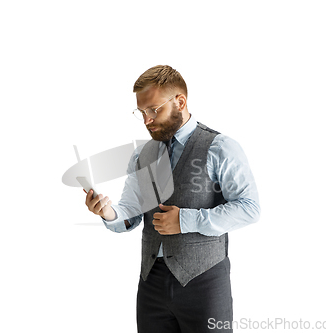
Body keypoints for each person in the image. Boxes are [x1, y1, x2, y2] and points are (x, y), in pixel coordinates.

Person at [85, 65, 260, 333]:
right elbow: (131, 211)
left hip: (205, 281)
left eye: (153, 109)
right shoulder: (141, 156)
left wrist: (185, 220)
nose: (147, 120)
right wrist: (108, 212)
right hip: (151, 281)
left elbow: (249, 208)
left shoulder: (220, 147)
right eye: (141, 112)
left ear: (180, 101)